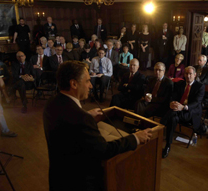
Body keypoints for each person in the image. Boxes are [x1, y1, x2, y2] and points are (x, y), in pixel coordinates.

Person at [43, 60, 152, 191]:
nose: (91, 86)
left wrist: (87, 115)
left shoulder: (51, 103)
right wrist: (135, 138)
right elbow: (104, 150)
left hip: (58, 179)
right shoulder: (81, 118)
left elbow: (68, 124)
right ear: (73, 84)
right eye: (88, 81)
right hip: (80, 184)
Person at [161, 66, 205, 158]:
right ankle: (168, 146)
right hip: (177, 110)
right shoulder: (180, 84)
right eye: (186, 74)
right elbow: (173, 96)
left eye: (190, 74)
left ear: (195, 75)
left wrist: (183, 107)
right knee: (173, 118)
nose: (188, 76)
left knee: (172, 114)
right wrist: (172, 103)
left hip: (190, 111)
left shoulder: (200, 86)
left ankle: (161, 125)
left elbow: (196, 103)